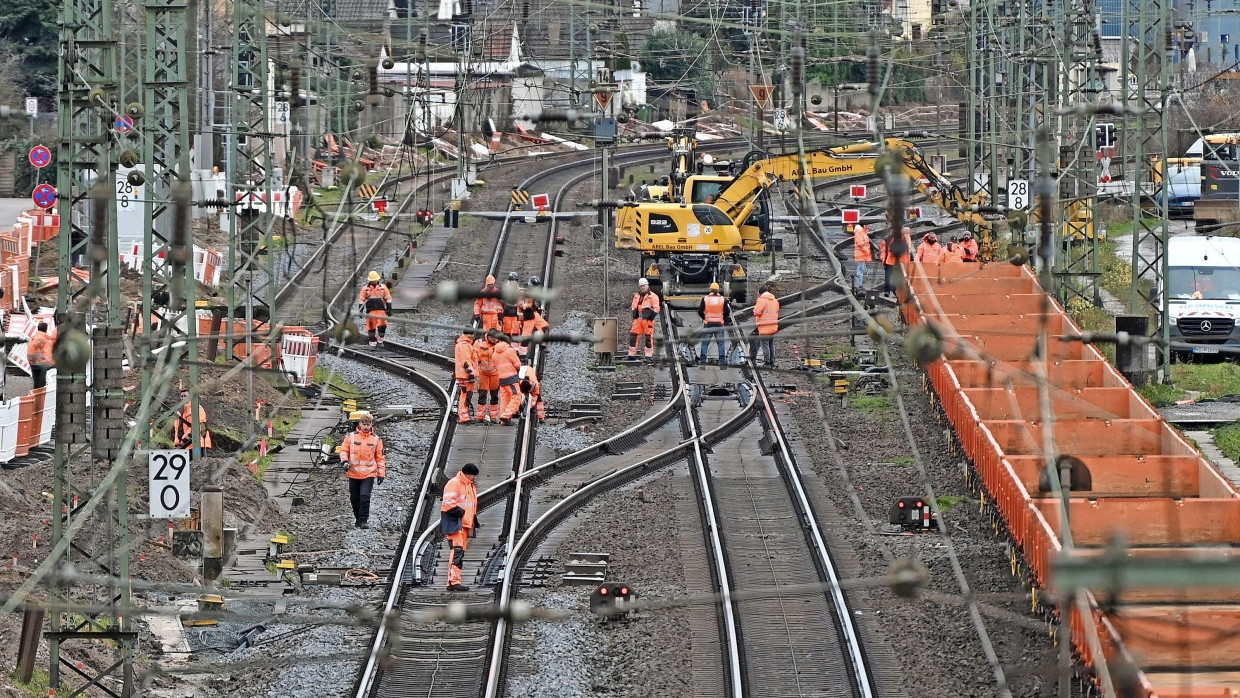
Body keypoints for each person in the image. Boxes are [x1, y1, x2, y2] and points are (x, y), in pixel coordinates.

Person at [339, 411, 386, 529]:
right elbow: (344, 451)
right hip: (353, 473)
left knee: (365, 496)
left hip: (369, 473)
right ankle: (358, 519)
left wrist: (381, 474)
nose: (365, 426)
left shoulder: (376, 439)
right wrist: (344, 461)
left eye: (368, 424)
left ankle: (364, 520)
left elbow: (380, 457)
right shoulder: (350, 437)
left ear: (371, 425)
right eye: (363, 424)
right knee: (354, 498)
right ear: (360, 423)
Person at [440, 462, 479, 591]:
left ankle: (453, 581)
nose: (475, 478)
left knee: (459, 552)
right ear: (469, 474)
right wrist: (461, 513)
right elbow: (448, 503)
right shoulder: (455, 483)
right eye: (474, 476)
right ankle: (454, 582)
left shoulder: (469, 485)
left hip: (464, 524)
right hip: (456, 523)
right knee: (457, 552)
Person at [492, 330, 523, 426]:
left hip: (501, 379)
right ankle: (506, 415)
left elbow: (494, 366)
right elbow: (517, 364)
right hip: (511, 379)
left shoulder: (495, 353)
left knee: (505, 398)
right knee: (516, 397)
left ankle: (503, 418)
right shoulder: (510, 350)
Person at [697, 282, 730, 364]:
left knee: (705, 343)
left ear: (710, 289)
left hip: (708, 323)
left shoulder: (705, 299)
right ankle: (722, 361)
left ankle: (703, 361)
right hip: (719, 323)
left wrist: (705, 318)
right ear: (718, 290)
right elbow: (727, 312)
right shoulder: (722, 299)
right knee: (721, 343)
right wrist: (723, 318)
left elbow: (700, 311)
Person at [357, 271, 393, 346]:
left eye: (375, 280)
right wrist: (360, 310)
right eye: (372, 280)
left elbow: (388, 298)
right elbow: (361, 299)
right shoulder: (365, 289)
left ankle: (380, 341)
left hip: (381, 311)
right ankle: (372, 344)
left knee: (382, 326)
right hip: (370, 312)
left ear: (377, 279)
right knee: (371, 328)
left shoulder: (383, 288)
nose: (374, 281)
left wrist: (389, 308)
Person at [173, 388, 214, 452]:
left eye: (185, 396)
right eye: (181, 396)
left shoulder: (197, 409)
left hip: (197, 445)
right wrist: (177, 443)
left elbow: (198, 427)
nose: (183, 398)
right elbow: (177, 430)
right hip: (185, 446)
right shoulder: (180, 412)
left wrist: (183, 441)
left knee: (197, 459)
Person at [473, 331, 501, 422]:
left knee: (494, 395)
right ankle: (480, 417)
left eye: (496, 339)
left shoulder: (500, 344)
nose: (494, 340)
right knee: (482, 395)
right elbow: (473, 356)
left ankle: (493, 417)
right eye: (493, 338)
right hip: (483, 373)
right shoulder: (479, 343)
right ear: (488, 337)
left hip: (495, 374)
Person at [750, 284, 780, 367]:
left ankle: (767, 362)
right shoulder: (774, 300)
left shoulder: (761, 300)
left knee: (765, 345)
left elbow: (757, 312)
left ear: (760, 292)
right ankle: (772, 361)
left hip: (764, 327)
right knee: (771, 344)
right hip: (773, 326)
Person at [629, 278, 660, 358]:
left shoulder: (653, 296)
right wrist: (634, 314)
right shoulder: (637, 295)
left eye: (644, 285)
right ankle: (631, 354)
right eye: (641, 286)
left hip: (647, 320)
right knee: (633, 336)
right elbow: (633, 306)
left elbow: (657, 309)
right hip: (638, 319)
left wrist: (650, 318)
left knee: (648, 338)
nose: (643, 287)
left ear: (647, 285)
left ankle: (648, 356)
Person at [879, 226, 913, 297]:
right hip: (890, 261)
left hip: (894, 261)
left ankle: (893, 291)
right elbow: (883, 251)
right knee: (889, 277)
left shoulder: (903, 239)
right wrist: (883, 259)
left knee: (892, 277)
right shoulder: (887, 240)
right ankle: (889, 291)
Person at [454, 331, 478, 424]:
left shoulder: (463, 344)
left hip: (465, 375)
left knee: (466, 395)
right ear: (468, 335)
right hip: (466, 375)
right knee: (465, 396)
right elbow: (466, 360)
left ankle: (465, 416)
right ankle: (463, 417)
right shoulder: (464, 345)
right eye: (472, 334)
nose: (474, 335)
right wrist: (471, 373)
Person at [28, 322, 54, 389]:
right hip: (41, 364)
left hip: (32, 363)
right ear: (46, 329)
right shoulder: (44, 339)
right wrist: (53, 364)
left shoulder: (34, 337)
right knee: (41, 384)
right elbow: (47, 354)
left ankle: (35, 396)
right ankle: (40, 397)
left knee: (36, 382)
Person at [853, 223, 873, 291]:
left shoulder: (863, 232)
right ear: (863, 225)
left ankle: (860, 285)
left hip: (862, 254)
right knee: (860, 269)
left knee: (861, 269)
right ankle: (859, 285)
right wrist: (866, 244)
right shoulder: (859, 232)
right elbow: (860, 243)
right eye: (866, 225)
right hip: (861, 254)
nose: (868, 226)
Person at [501, 272, 522, 338]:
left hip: (516, 316)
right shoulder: (505, 291)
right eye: (512, 281)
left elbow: (522, 305)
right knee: (506, 333)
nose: (513, 283)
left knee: (515, 333)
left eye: (515, 281)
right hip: (507, 315)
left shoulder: (520, 291)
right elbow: (501, 303)